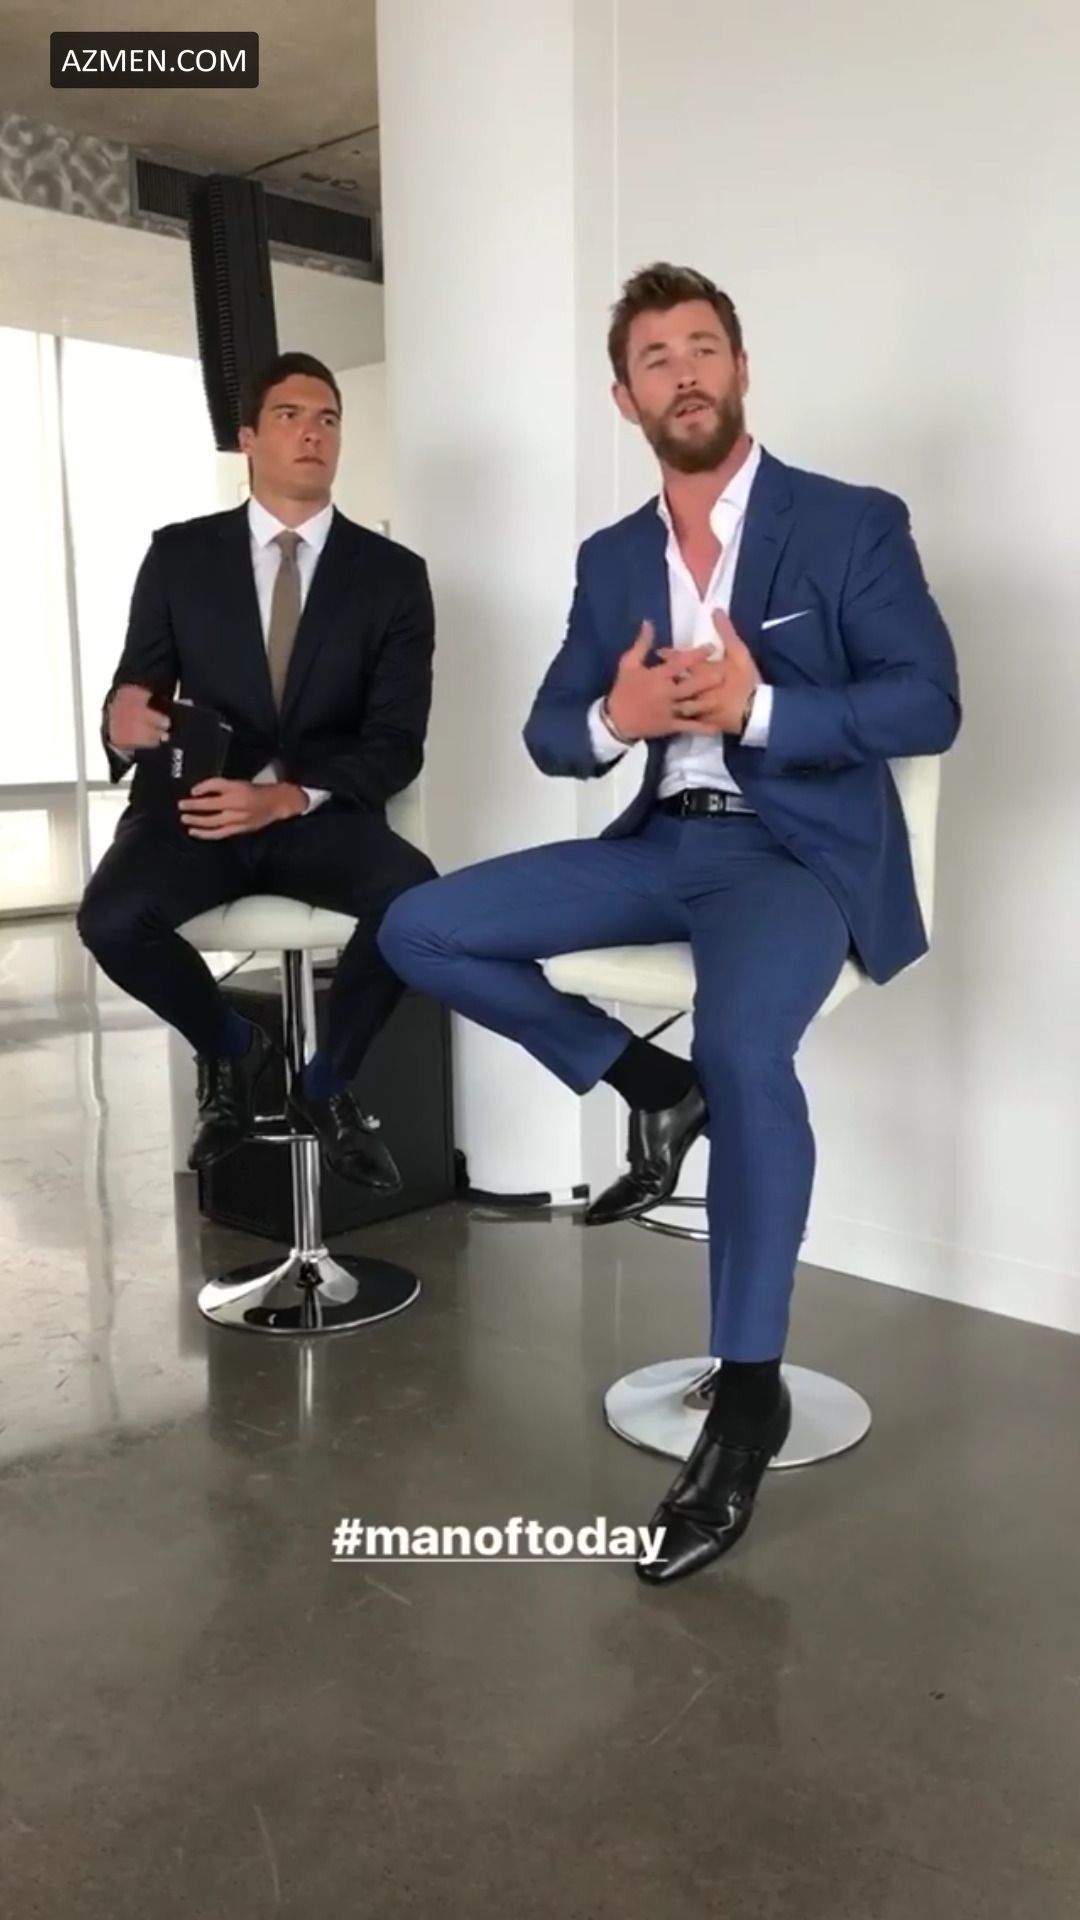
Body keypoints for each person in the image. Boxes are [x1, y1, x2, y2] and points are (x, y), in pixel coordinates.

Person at [378, 264, 961, 1585]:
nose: (684, 372)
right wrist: (615, 719)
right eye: (657, 357)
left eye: (704, 347)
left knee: (748, 1055)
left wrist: (763, 710)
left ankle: (746, 1401)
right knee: (419, 928)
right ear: (625, 398)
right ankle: (651, 1086)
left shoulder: (849, 523)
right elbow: (551, 731)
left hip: (794, 857)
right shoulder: (610, 560)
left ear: (741, 370)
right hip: (661, 845)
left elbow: (928, 702)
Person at [78, 351, 435, 1190]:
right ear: (247, 438)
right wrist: (119, 725)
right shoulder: (179, 556)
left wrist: (286, 797)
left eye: (328, 419)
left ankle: (327, 1082)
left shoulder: (393, 577)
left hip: (316, 814)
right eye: (290, 416)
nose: (313, 433)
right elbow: (138, 689)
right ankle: (234, 1047)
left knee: (416, 900)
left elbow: (397, 742)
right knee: (111, 920)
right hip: (197, 808)